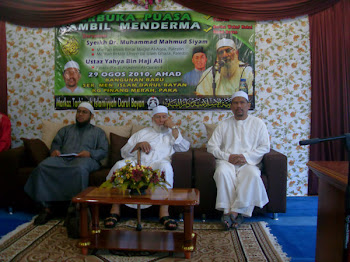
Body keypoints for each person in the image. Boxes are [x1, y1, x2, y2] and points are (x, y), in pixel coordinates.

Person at [105, 105, 190, 230]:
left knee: (166, 166)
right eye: (158, 117)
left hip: (158, 164)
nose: (161, 120)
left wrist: (173, 127)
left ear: (168, 118)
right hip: (138, 163)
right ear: (152, 119)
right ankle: (115, 210)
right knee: (119, 165)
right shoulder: (142, 133)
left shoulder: (173, 134)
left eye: (164, 117)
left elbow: (184, 147)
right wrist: (138, 145)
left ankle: (164, 213)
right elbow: (124, 152)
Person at [24, 102, 108, 225]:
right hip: (63, 159)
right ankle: (46, 208)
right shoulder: (65, 130)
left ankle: (75, 209)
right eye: (78, 111)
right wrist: (55, 151)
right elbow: (56, 144)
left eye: (84, 112)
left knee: (79, 169)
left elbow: (103, 150)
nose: (80, 114)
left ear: (91, 116)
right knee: (43, 166)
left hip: (86, 160)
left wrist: (89, 153)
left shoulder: (98, 132)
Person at [207, 91, 270, 230]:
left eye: (242, 102)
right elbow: (211, 147)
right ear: (231, 106)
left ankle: (232, 213)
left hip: (249, 162)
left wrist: (246, 157)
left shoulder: (258, 123)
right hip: (227, 161)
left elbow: (265, 147)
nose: (239, 106)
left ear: (248, 105)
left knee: (253, 175)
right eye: (235, 103)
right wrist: (227, 156)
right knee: (221, 172)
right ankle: (235, 214)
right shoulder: (224, 125)